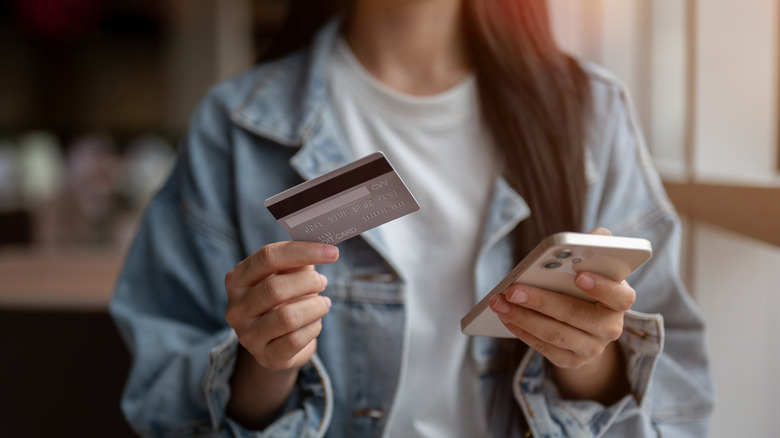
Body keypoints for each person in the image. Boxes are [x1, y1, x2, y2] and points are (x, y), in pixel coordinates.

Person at [109, 0, 714, 437]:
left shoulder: (590, 115)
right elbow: (162, 399)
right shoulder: (236, 126)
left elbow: (680, 404)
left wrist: (589, 360)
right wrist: (264, 366)